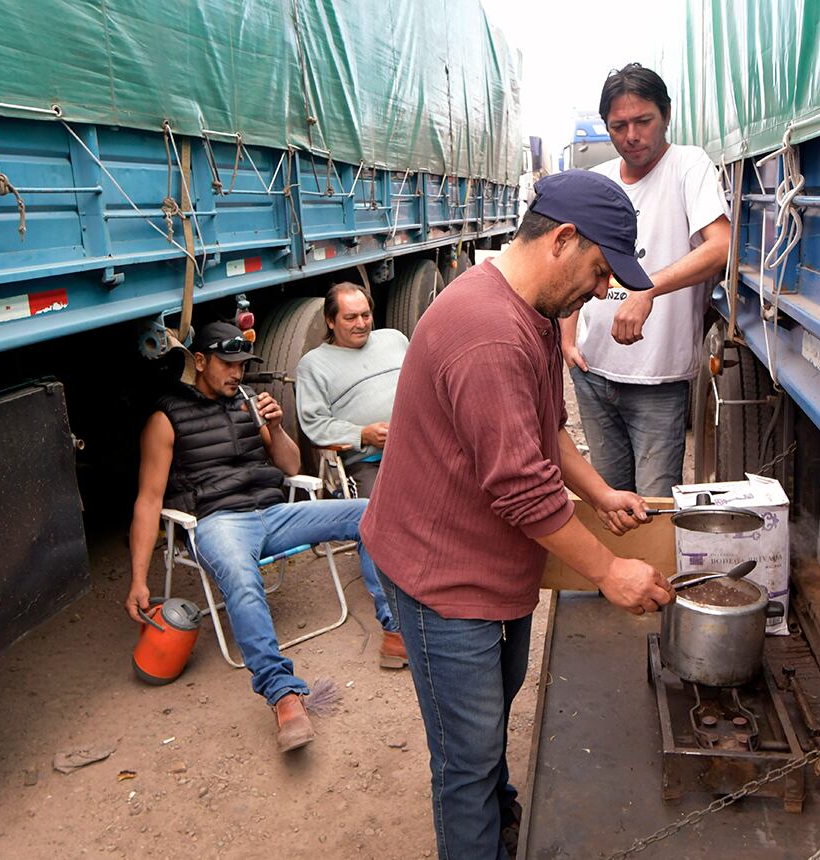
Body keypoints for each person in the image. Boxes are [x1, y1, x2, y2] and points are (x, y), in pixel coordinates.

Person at [361, 170, 677, 859]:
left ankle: (497, 821)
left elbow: (545, 429)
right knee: (466, 758)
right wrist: (610, 573)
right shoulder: (489, 332)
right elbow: (523, 491)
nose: (602, 291)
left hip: (491, 568)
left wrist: (599, 492)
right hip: (442, 581)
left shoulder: (528, 313)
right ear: (563, 239)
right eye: (599, 271)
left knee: (487, 728)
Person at [125, 321, 408, 754]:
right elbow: (148, 501)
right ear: (199, 362)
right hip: (218, 523)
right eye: (228, 364)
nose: (238, 374)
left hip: (273, 514)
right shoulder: (167, 418)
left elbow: (292, 467)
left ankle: (393, 630)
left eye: (242, 365)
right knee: (239, 574)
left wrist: (275, 429)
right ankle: (283, 694)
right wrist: (139, 581)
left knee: (370, 513)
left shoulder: (247, 403)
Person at [560, 63, 732, 497]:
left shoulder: (688, 166)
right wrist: (567, 339)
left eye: (643, 121)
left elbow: (721, 246)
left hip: (657, 381)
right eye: (618, 125)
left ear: (667, 114)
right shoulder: (597, 182)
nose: (631, 135)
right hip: (593, 375)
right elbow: (571, 267)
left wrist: (647, 288)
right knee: (610, 503)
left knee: (653, 506)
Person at [296, 282, 408, 498]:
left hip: (418, 447)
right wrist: (362, 434)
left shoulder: (394, 339)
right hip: (369, 463)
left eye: (366, 315)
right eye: (351, 318)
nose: (361, 324)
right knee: (378, 516)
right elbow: (315, 424)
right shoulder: (314, 365)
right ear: (330, 321)